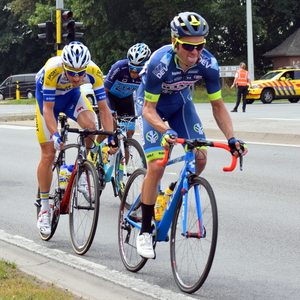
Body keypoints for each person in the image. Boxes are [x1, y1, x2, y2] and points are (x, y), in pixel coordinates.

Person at [135, 12, 248, 258]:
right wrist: (167, 131)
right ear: (175, 42)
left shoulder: (208, 63)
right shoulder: (159, 63)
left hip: (180, 104)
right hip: (150, 105)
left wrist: (231, 138)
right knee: (156, 166)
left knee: (201, 157)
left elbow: (218, 106)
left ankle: (174, 189)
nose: (195, 52)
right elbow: (148, 110)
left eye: (200, 46)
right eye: (188, 46)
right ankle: (144, 231)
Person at [35, 41, 114, 235]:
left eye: (81, 73)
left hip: (71, 97)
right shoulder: (53, 70)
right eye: (72, 73)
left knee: (91, 127)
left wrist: (111, 137)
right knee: (48, 154)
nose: (77, 77)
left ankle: (82, 167)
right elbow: (48, 109)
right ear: (64, 67)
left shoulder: (94, 72)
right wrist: (54, 134)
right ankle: (44, 208)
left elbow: (104, 108)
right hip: (47, 100)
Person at [104, 43, 151, 138]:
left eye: (137, 71)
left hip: (126, 98)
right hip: (110, 97)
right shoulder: (119, 67)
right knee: (111, 126)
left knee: (130, 132)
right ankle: (103, 147)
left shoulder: (148, 72)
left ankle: (127, 153)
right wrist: (107, 111)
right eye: (132, 69)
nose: (134, 73)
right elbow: (104, 91)